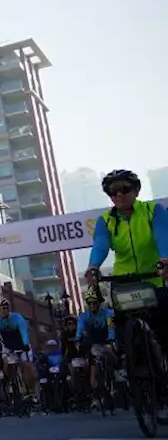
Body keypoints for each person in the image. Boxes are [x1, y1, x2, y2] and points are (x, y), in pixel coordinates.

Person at [85, 169, 168, 349]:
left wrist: (165, 259)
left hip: (154, 277)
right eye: (114, 192)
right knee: (123, 333)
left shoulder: (153, 210)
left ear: (136, 190)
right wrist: (93, 267)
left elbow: (163, 235)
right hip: (123, 282)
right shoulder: (105, 220)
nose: (120, 194)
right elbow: (100, 244)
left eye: (125, 189)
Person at [0, 297, 37, 403]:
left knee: (27, 366)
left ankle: (32, 391)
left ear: (8, 309)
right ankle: (11, 382)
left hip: (22, 345)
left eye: (5, 308)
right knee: (6, 363)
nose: (2, 311)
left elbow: (24, 332)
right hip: (9, 346)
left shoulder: (17, 318)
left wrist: (25, 344)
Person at [75, 287, 117, 397]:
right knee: (93, 357)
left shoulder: (108, 313)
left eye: (94, 302)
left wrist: (111, 338)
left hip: (108, 340)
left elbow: (111, 328)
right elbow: (79, 329)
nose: (92, 305)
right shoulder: (84, 317)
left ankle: (118, 370)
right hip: (95, 343)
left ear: (99, 302)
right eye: (89, 303)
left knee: (110, 350)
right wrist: (78, 338)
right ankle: (94, 385)